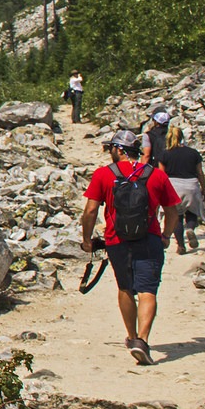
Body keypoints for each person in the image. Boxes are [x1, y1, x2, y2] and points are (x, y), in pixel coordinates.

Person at [81, 129, 182, 365]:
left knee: (125, 287)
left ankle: (131, 335)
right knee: (148, 289)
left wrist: (87, 240)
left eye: (110, 149)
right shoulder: (156, 175)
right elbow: (172, 212)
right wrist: (166, 235)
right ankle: (143, 340)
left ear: (118, 150)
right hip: (149, 238)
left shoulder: (104, 175)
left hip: (117, 240)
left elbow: (90, 211)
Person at [155, 128, 205, 254]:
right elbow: (200, 172)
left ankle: (181, 246)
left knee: (177, 216)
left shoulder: (164, 154)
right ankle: (190, 228)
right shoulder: (193, 153)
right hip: (191, 184)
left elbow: (161, 175)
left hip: (173, 185)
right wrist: (203, 188)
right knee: (192, 211)